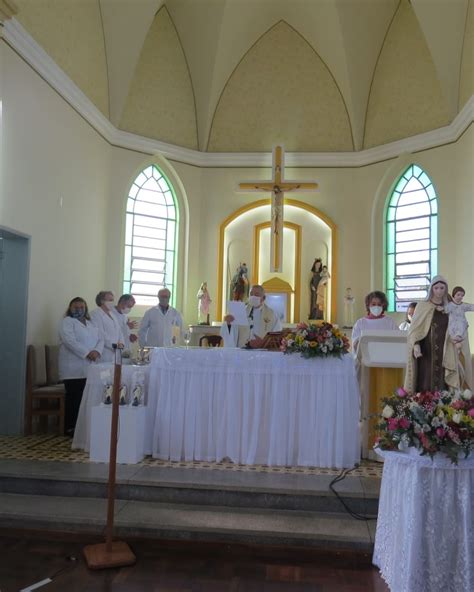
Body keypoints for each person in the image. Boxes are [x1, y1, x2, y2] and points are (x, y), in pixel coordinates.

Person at [404, 276, 459, 393]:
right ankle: (424, 405)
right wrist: (416, 345)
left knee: (442, 380)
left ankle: (443, 408)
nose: (439, 291)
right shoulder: (423, 306)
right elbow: (414, 329)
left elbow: (456, 327)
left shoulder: (449, 308)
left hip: (444, 350)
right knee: (425, 379)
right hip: (426, 351)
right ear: (431, 289)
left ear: (446, 289)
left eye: (442, 288)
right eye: (436, 288)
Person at [58, 297, 103, 435]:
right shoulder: (67, 322)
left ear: (86, 309)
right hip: (73, 367)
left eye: (82, 307)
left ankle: (84, 427)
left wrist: (97, 351)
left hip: (90, 365)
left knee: (87, 397)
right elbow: (69, 340)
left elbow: (100, 339)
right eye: (76, 307)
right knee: (75, 398)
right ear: (70, 308)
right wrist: (87, 353)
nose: (79, 310)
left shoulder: (91, 323)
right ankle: (71, 427)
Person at [446, 286, 474, 389]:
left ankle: (467, 385)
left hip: (463, 335)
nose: (460, 297)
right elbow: (440, 310)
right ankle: (454, 385)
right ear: (453, 294)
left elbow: (472, 307)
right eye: (458, 295)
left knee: (465, 358)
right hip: (452, 335)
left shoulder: (463, 306)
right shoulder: (449, 306)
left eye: (462, 295)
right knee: (453, 360)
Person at [90, 291, 123, 363]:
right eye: (110, 300)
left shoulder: (112, 314)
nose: (113, 302)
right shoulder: (95, 314)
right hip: (104, 351)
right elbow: (100, 333)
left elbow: (119, 331)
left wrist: (121, 343)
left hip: (116, 352)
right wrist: (114, 345)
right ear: (102, 301)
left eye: (113, 300)